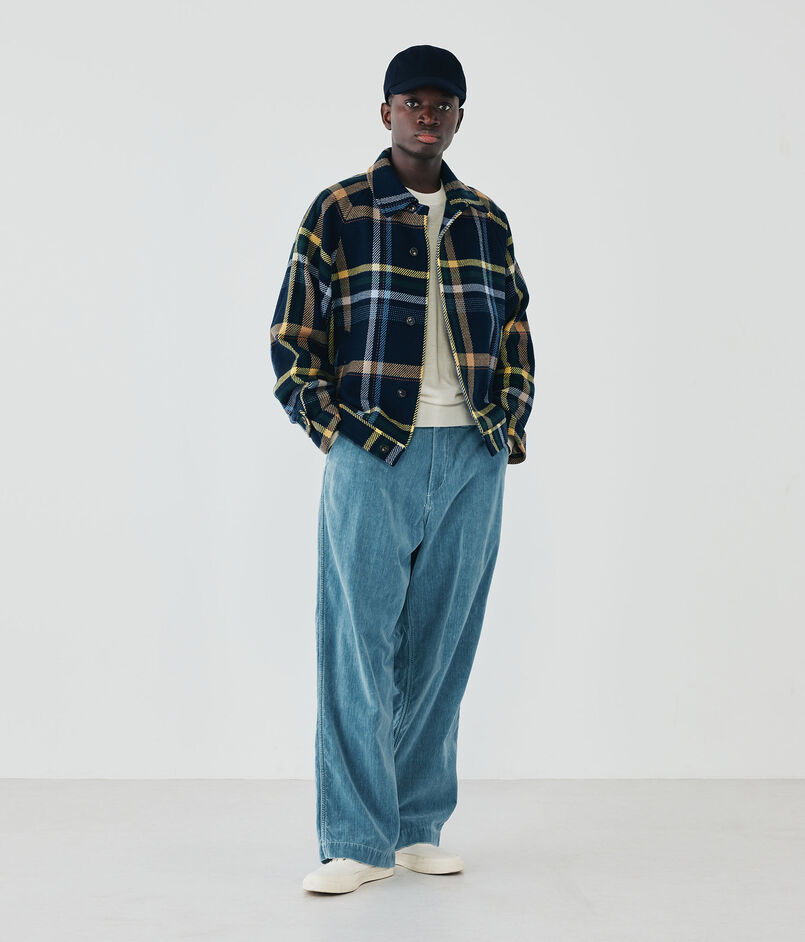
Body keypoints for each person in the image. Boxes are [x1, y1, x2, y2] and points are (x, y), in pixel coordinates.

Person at [270, 44, 535, 894]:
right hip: (373, 447)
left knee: (441, 647)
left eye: (442, 104)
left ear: (458, 117)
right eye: (412, 102)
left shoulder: (484, 218)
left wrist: (506, 424)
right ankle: (356, 839)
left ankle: (417, 825)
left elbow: (517, 330)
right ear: (385, 112)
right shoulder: (340, 209)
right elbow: (292, 336)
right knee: (356, 646)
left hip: (471, 454)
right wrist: (333, 431)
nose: (427, 115)